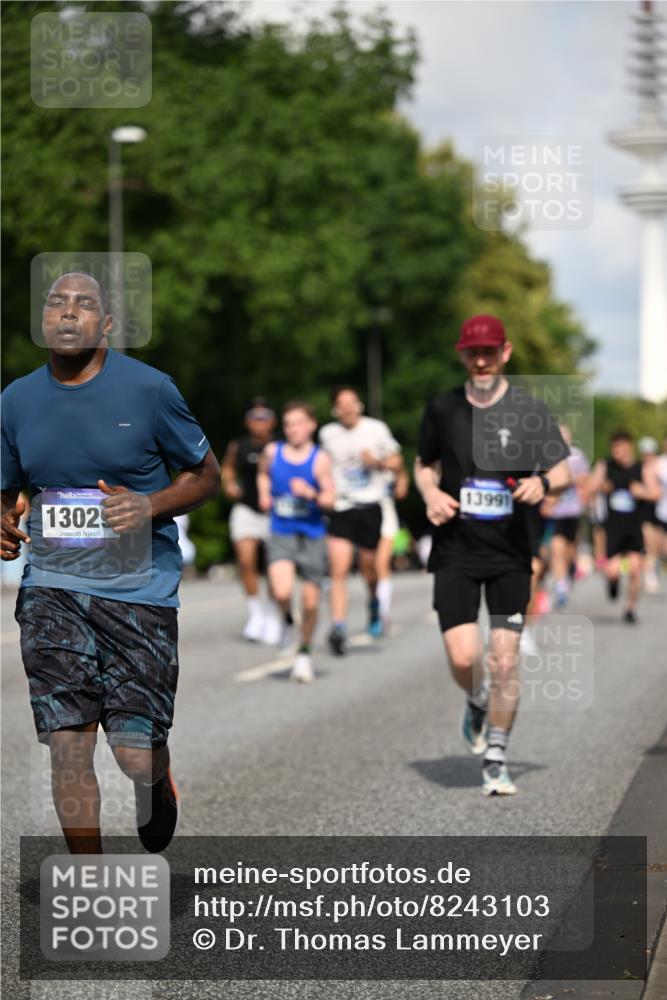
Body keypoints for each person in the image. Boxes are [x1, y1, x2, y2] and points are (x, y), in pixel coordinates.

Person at [1, 271, 220, 854]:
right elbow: (7, 486)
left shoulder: (150, 390)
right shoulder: (16, 399)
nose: (68, 312)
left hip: (139, 587)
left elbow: (207, 476)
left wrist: (149, 504)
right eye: (56, 302)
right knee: (67, 742)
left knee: (132, 750)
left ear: (108, 325)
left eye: (84, 304)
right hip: (52, 584)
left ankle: (156, 782)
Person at [415, 314, 571, 796]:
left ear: (505, 353)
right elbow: (424, 465)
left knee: (504, 660)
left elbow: (563, 471)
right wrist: (430, 495)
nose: (480, 360)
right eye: (471, 353)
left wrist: (541, 483)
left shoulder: (530, 410)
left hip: (510, 552)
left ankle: (497, 759)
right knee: (465, 659)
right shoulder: (443, 408)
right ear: (463, 356)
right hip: (456, 551)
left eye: (489, 352)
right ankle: (478, 700)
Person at [319, 387, 402, 655]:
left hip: (371, 505)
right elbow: (320, 466)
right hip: (343, 506)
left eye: (351, 402)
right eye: (341, 404)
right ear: (335, 409)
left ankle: (374, 602)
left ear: (360, 405)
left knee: (370, 570)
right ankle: (339, 627)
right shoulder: (327, 434)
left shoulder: (376, 429)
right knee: (338, 569)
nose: (347, 408)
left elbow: (397, 462)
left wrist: (378, 462)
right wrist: (325, 491)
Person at [257, 401, 335, 682]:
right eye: (289, 423)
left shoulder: (320, 458)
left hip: (312, 534)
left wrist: (311, 494)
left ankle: (304, 653)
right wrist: (265, 495)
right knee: (281, 591)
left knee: (311, 604)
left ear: (311, 425)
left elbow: (331, 500)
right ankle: (288, 622)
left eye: (299, 423)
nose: (293, 429)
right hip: (282, 530)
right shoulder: (272, 451)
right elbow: (263, 475)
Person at [221, 399, 279, 642]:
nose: (259, 422)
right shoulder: (239, 446)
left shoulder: (280, 446)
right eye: (255, 417)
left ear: (272, 421)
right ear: (248, 421)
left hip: (275, 512)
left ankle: (275, 615)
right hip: (247, 509)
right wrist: (230, 484)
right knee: (246, 560)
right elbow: (227, 469)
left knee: (276, 567)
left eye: (264, 417)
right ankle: (256, 614)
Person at [587, 430, 660, 623]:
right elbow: (589, 488)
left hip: (634, 527)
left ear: (629, 447)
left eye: (622, 447)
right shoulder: (605, 466)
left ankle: (630, 608)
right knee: (612, 570)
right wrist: (601, 485)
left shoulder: (641, 468)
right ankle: (613, 582)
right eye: (615, 448)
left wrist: (641, 492)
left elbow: (656, 493)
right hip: (613, 528)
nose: (618, 451)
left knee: (636, 568)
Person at [542, 424, 590, 608]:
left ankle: (569, 573)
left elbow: (585, 479)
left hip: (573, 510)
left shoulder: (576, 456)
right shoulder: (546, 455)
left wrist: (567, 478)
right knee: (556, 547)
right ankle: (561, 585)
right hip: (555, 512)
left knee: (570, 550)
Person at [374, 459, 410, 633]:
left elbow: (401, 491)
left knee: (380, 565)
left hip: (384, 516)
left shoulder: (386, 458)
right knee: (368, 570)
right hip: (353, 516)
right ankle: (373, 602)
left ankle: (382, 612)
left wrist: (398, 470)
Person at [637, 436, 662, 594]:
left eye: (650, 453)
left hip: (659, 510)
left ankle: (654, 565)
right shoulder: (639, 468)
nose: (648, 456)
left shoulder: (661, 466)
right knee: (647, 540)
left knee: (657, 544)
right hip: (644, 510)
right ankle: (649, 572)